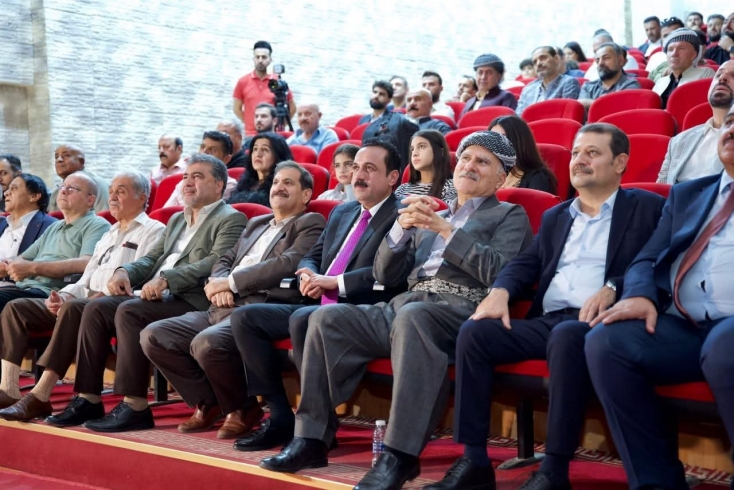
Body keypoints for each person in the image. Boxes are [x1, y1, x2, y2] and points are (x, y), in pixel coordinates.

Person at [260, 132, 533, 488]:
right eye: (466, 158)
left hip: (461, 309)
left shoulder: (509, 214)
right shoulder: (430, 212)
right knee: (325, 318)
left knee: (413, 318)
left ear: (501, 178)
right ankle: (311, 438)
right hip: (405, 304)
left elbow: (499, 271)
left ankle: (399, 456)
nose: (470, 166)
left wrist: (447, 231)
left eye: (482, 162)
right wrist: (400, 230)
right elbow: (385, 275)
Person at [428, 124, 665, 490]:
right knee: (476, 332)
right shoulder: (557, 216)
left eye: (592, 153)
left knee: (567, 336)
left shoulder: (647, 207)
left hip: (602, 322)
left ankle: (554, 469)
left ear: (620, 163)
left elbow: (658, 260)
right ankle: (474, 460)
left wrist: (613, 287)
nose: (579, 160)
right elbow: (526, 263)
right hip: (549, 319)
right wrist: (500, 290)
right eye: (576, 153)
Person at [585, 105, 734, 490]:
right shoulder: (688, 194)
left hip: (729, 328)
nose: (732, 129)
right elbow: (646, 258)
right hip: (684, 325)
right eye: (730, 122)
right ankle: (656, 483)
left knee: (723, 347)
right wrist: (641, 296)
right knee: (605, 341)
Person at [229, 139, 403, 453]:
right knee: (245, 318)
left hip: (361, 306)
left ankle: (317, 424)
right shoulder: (342, 212)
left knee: (302, 319)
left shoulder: (400, 215)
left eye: (369, 168)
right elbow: (313, 255)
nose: (358, 175)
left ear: (392, 177)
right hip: (315, 300)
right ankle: (280, 414)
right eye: (356, 167)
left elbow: (389, 272)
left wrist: (334, 282)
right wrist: (308, 274)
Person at [54, 154, 246, 433]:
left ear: (219, 185)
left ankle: (135, 405)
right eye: (185, 176)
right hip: (157, 294)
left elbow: (215, 261)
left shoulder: (231, 218)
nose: (188, 182)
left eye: (197, 177)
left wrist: (168, 279)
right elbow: (152, 258)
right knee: (95, 307)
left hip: (192, 298)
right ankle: (88, 398)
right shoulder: (178, 219)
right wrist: (124, 271)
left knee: (129, 311)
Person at [139, 162, 325, 439]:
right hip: (221, 304)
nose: (279, 187)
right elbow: (225, 259)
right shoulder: (256, 222)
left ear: (306, 194)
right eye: (276, 182)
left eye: (288, 183)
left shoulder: (310, 223)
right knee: (154, 335)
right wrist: (219, 284)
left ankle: (241, 408)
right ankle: (210, 401)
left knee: (207, 343)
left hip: (260, 308)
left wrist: (232, 283)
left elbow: (288, 263)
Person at [0, 171, 164, 421]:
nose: (113, 197)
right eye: (111, 191)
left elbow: (142, 274)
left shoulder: (154, 230)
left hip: (117, 302)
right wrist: (64, 295)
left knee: (77, 308)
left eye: (121, 191)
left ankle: (43, 394)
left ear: (142, 198)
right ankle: (12, 389)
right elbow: (86, 277)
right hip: (84, 300)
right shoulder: (110, 233)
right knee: (20, 307)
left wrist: (92, 296)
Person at [0, 172, 110, 409]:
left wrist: (34, 268)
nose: (64, 190)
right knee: (10, 302)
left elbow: (86, 263)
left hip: (54, 292)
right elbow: (22, 259)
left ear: (90, 200)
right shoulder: (55, 226)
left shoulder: (97, 224)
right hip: (26, 287)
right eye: (63, 186)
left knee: (9, 304)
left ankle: (8, 388)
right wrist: (13, 266)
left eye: (73, 188)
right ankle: (7, 387)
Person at [658, 61, 734, 184]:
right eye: (718, 75)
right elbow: (661, 190)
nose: (722, 78)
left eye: (733, 76)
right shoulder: (678, 141)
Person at [232, 41, 295, 134]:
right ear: (253, 59)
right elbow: (236, 109)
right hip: (251, 134)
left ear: (270, 59)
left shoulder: (277, 82)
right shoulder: (243, 81)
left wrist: (279, 126)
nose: (260, 60)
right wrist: (250, 123)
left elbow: (292, 108)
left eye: (264, 57)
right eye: (257, 57)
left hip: (273, 134)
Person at [163, 131, 238, 207]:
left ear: (226, 159)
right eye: (202, 147)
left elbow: (202, 210)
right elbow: (165, 211)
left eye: (212, 150)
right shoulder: (184, 182)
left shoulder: (229, 185)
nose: (204, 152)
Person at [0, 174, 56, 273]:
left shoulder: (51, 226)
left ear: (34, 196)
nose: (6, 193)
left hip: (22, 281)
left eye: (14, 188)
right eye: (8, 189)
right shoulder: (2, 224)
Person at [488, 116, 558, 194]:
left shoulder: (538, 178)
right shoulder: (488, 175)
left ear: (518, 142)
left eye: (503, 138)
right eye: (492, 139)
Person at [653, 27, 716, 109]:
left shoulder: (705, 74)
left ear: (693, 55)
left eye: (681, 48)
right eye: (670, 49)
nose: (674, 54)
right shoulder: (660, 81)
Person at [227, 132, 293, 207]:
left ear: (278, 156)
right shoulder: (246, 181)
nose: (258, 154)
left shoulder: (281, 186)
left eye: (265, 150)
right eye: (255, 149)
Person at [516, 47, 581, 116]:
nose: (538, 63)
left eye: (543, 58)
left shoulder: (569, 83)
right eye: (535, 62)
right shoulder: (528, 89)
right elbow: (518, 117)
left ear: (556, 59)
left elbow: (567, 115)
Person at [395, 129, 457, 201]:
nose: (414, 153)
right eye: (412, 149)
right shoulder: (401, 189)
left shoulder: (451, 186)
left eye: (421, 146)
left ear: (440, 151)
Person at [48, 145, 109, 213]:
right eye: (56, 157)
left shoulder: (97, 185)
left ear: (81, 161)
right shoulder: (56, 192)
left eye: (66, 155)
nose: (59, 160)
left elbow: (105, 216)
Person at [577, 42, 641, 108]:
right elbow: (580, 107)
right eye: (597, 60)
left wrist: (590, 103)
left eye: (606, 58)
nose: (600, 63)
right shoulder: (588, 87)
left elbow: (621, 107)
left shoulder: (631, 84)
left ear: (620, 60)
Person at [459, 54, 517, 119]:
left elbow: (509, 123)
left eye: (489, 73)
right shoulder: (470, 101)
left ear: (499, 76)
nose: (483, 77)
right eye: (480, 72)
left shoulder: (506, 97)